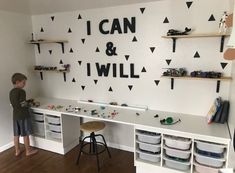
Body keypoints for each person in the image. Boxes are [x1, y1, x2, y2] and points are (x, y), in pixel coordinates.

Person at [9, 73, 38, 156]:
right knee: (25, 134)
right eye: (23, 82)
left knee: (16, 134)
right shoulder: (21, 91)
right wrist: (30, 104)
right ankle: (28, 151)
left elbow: (16, 103)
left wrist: (26, 101)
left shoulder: (11, 92)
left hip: (15, 116)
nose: (24, 84)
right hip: (23, 116)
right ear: (18, 82)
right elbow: (23, 104)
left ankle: (17, 151)